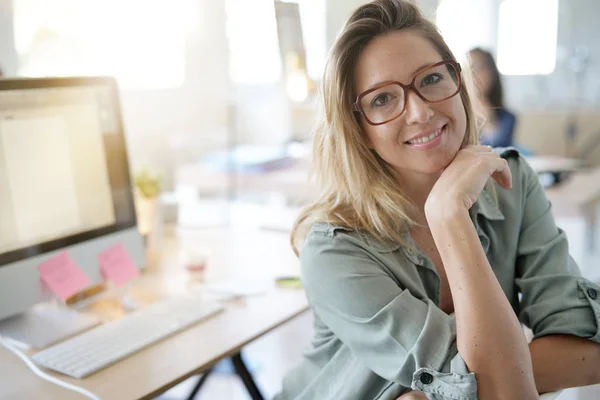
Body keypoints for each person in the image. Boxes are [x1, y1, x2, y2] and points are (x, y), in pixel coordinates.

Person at [275, 1, 600, 399]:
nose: (419, 111)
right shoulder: (335, 249)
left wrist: (440, 394)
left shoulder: (511, 183)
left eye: (430, 79)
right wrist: (449, 216)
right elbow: (501, 391)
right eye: (382, 99)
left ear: (457, 81)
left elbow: (588, 349)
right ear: (356, 128)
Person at [468, 47, 516, 148]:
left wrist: (488, 120)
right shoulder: (456, 114)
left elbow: (499, 151)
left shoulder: (507, 118)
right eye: (467, 68)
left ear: (491, 73)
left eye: (477, 67)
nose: (471, 74)